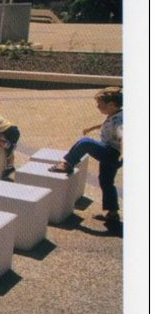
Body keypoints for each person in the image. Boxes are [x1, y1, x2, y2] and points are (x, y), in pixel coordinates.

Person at [49, 87, 123, 223]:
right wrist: (92, 127)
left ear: (112, 105)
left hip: (112, 154)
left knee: (85, 143)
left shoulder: (119, 123)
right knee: (106, 182)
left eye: (100, 105)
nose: (98, 107)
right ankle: (113, 213)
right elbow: (107, 123)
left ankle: (67, 163)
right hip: (111, 154)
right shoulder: (117, 115)